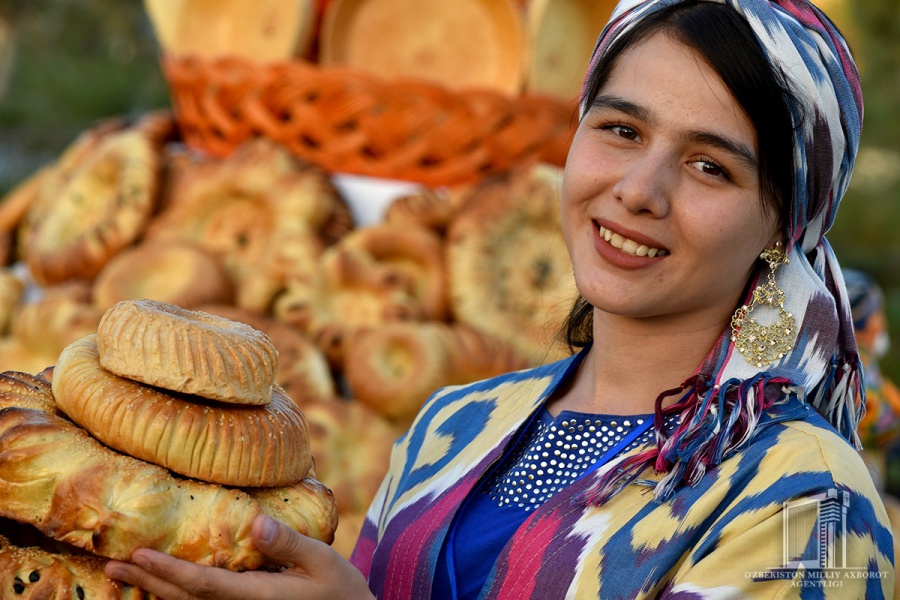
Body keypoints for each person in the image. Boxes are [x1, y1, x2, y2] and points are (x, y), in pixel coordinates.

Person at [105, 0, 895, 597]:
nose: (638, 190)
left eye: (709, 167)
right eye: (621, 129)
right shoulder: (453, 425)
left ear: (783, 228)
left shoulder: (807, 497)